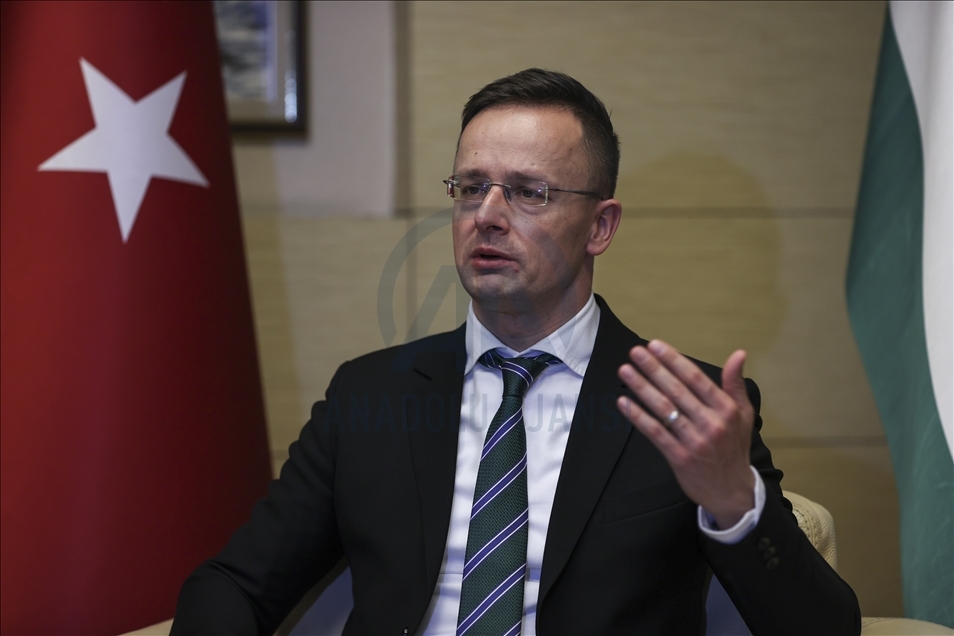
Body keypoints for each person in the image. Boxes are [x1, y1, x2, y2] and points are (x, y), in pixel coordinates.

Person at [172, 68, 859, 635]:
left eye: (529, 193)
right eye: (472, 187)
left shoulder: (684, 406)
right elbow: (234, 584)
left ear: (600, 226)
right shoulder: (370, 397)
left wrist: (736, 503)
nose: (488, 215)